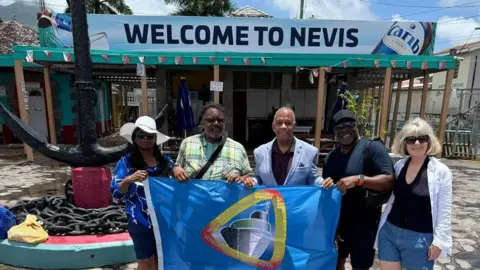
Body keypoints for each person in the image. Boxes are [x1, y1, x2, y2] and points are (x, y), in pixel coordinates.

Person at [376, 118, 452, 270]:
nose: (417, 143)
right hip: (390, 233)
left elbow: (445, 211)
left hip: (420, 239)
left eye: (422, 138)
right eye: (411, 139)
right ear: (404, 143)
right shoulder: (399, 166)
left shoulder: (441, 172)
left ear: (429, 141)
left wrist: (439, 242)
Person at [322, 109, 394, 270]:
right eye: (339, 127)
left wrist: (359, 180)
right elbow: (327, 191)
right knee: (336, 261)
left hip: (365, 221)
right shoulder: (330, 158)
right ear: (334, 132)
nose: (344, 130)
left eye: (349, 125)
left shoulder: (372, 148)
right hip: (339, 221)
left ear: (357, 127)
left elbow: (389, 180)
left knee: (360, 265)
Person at [110, 116, 173, 270]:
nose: (145, 139)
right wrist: (129, 180)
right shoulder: (126, 162)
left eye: (149, 136)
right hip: (139, 221)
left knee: (160, 259)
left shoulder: (166, 161)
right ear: (135, 138)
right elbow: (116, 192)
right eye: (141, 135)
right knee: (145, 261)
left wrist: (177, 169)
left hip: (164, 219)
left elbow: (178, 180)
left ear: (155, 138)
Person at [173, 102, 253, 185]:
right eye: (210, 120)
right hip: (194, 197)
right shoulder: (187, 143)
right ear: (203, 123)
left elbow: (248, 175)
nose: (216, 123)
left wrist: (241, 179)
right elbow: (176, 170)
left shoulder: (238, 148)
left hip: (225, 198)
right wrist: (175, 169)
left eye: (220, 120)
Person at [253, 107, 322, 186]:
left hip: (296, 198)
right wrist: (252, 181)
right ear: (273, 126)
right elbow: (258, 178)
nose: (283, 126)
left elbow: (312, 179)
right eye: (279, 123)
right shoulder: (259, 152)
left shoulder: (310, 151)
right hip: (270, 198)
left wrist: (323, 182)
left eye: (288, 123)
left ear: (294, 126)